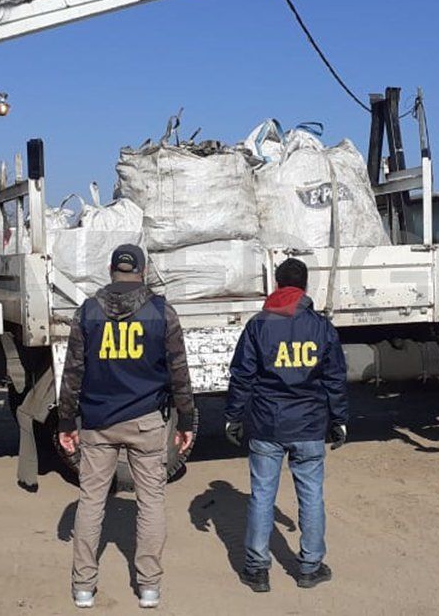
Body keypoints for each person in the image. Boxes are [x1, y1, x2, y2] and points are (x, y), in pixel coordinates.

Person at [56, 244, 196, 609]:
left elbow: (72, 372)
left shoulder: (87, 312)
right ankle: (149, 587)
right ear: (144, 271)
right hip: (147, 422)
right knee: (150, 501)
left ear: (109, 269)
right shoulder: (162, 312)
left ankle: (83, 587)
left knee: (90, 500)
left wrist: (66, 420)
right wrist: (187, 419)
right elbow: (179, 371)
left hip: (98, 422)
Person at [223, 258, 348, 592]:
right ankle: (310, 567)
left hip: (267, 425)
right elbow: (335, 379)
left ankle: (257, 570)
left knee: (262, 495)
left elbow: (242, 376)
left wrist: (234, 416)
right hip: (309, 427)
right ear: (305, 287)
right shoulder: (321, 327)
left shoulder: (258, 325)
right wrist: (339, 419)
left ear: (277, 285)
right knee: (311, 496)